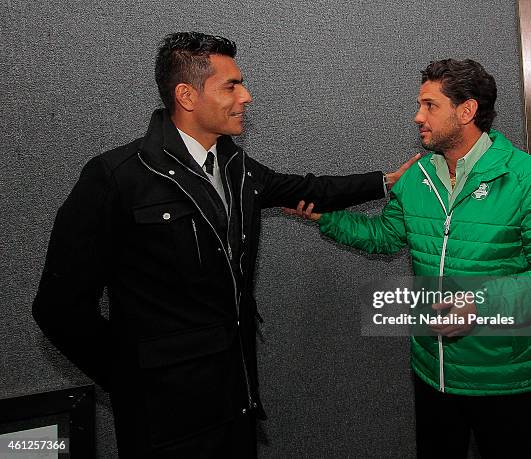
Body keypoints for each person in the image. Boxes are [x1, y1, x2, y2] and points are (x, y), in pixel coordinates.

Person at [31, 32, 418, 457]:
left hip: (235, 402)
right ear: (187, 95)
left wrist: (385, 182)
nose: (246, 96)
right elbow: (58, 308)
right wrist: (131, 380)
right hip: (166, 423)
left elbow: (307, 188)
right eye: (231, 85)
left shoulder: (235, 165)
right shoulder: (118, 177)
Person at [286, 59, 531, 458]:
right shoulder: (418, 176)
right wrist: (328, 218)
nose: (417, 117)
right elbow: (385, 237)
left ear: (467, 111)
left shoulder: (529, 179)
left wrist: (479, 304)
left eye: (429, 105)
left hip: (501, 377)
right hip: (433, 371)